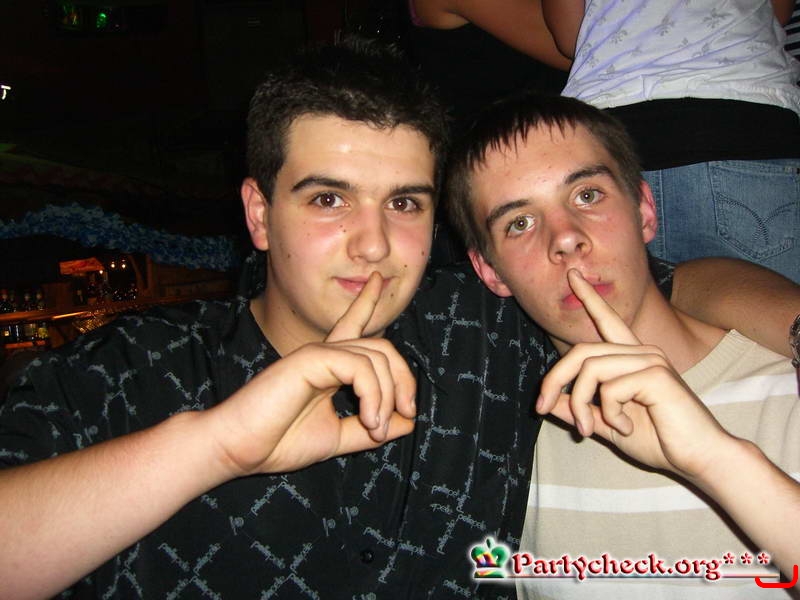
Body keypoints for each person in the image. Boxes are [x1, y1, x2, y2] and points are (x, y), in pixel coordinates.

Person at [2, 37, 799, 600]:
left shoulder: (482, 337)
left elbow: (647, 282)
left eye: (405, 204)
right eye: (328, 199)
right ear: (259, 213)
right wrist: (213, 446)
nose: (374, 243)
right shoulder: (125, 371)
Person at [446, 91, 800, 597]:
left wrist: (717, 460)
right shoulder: (506, 457)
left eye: (587, 195)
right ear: (490, 271)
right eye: (519, 223)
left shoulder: (788, 383)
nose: (564, 238)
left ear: (645, 209)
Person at [542, 0, 800, 283]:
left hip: (613, 122)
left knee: (618, 309)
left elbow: (569, 34)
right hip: (736, 107)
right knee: (764, 305)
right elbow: (777, 11)